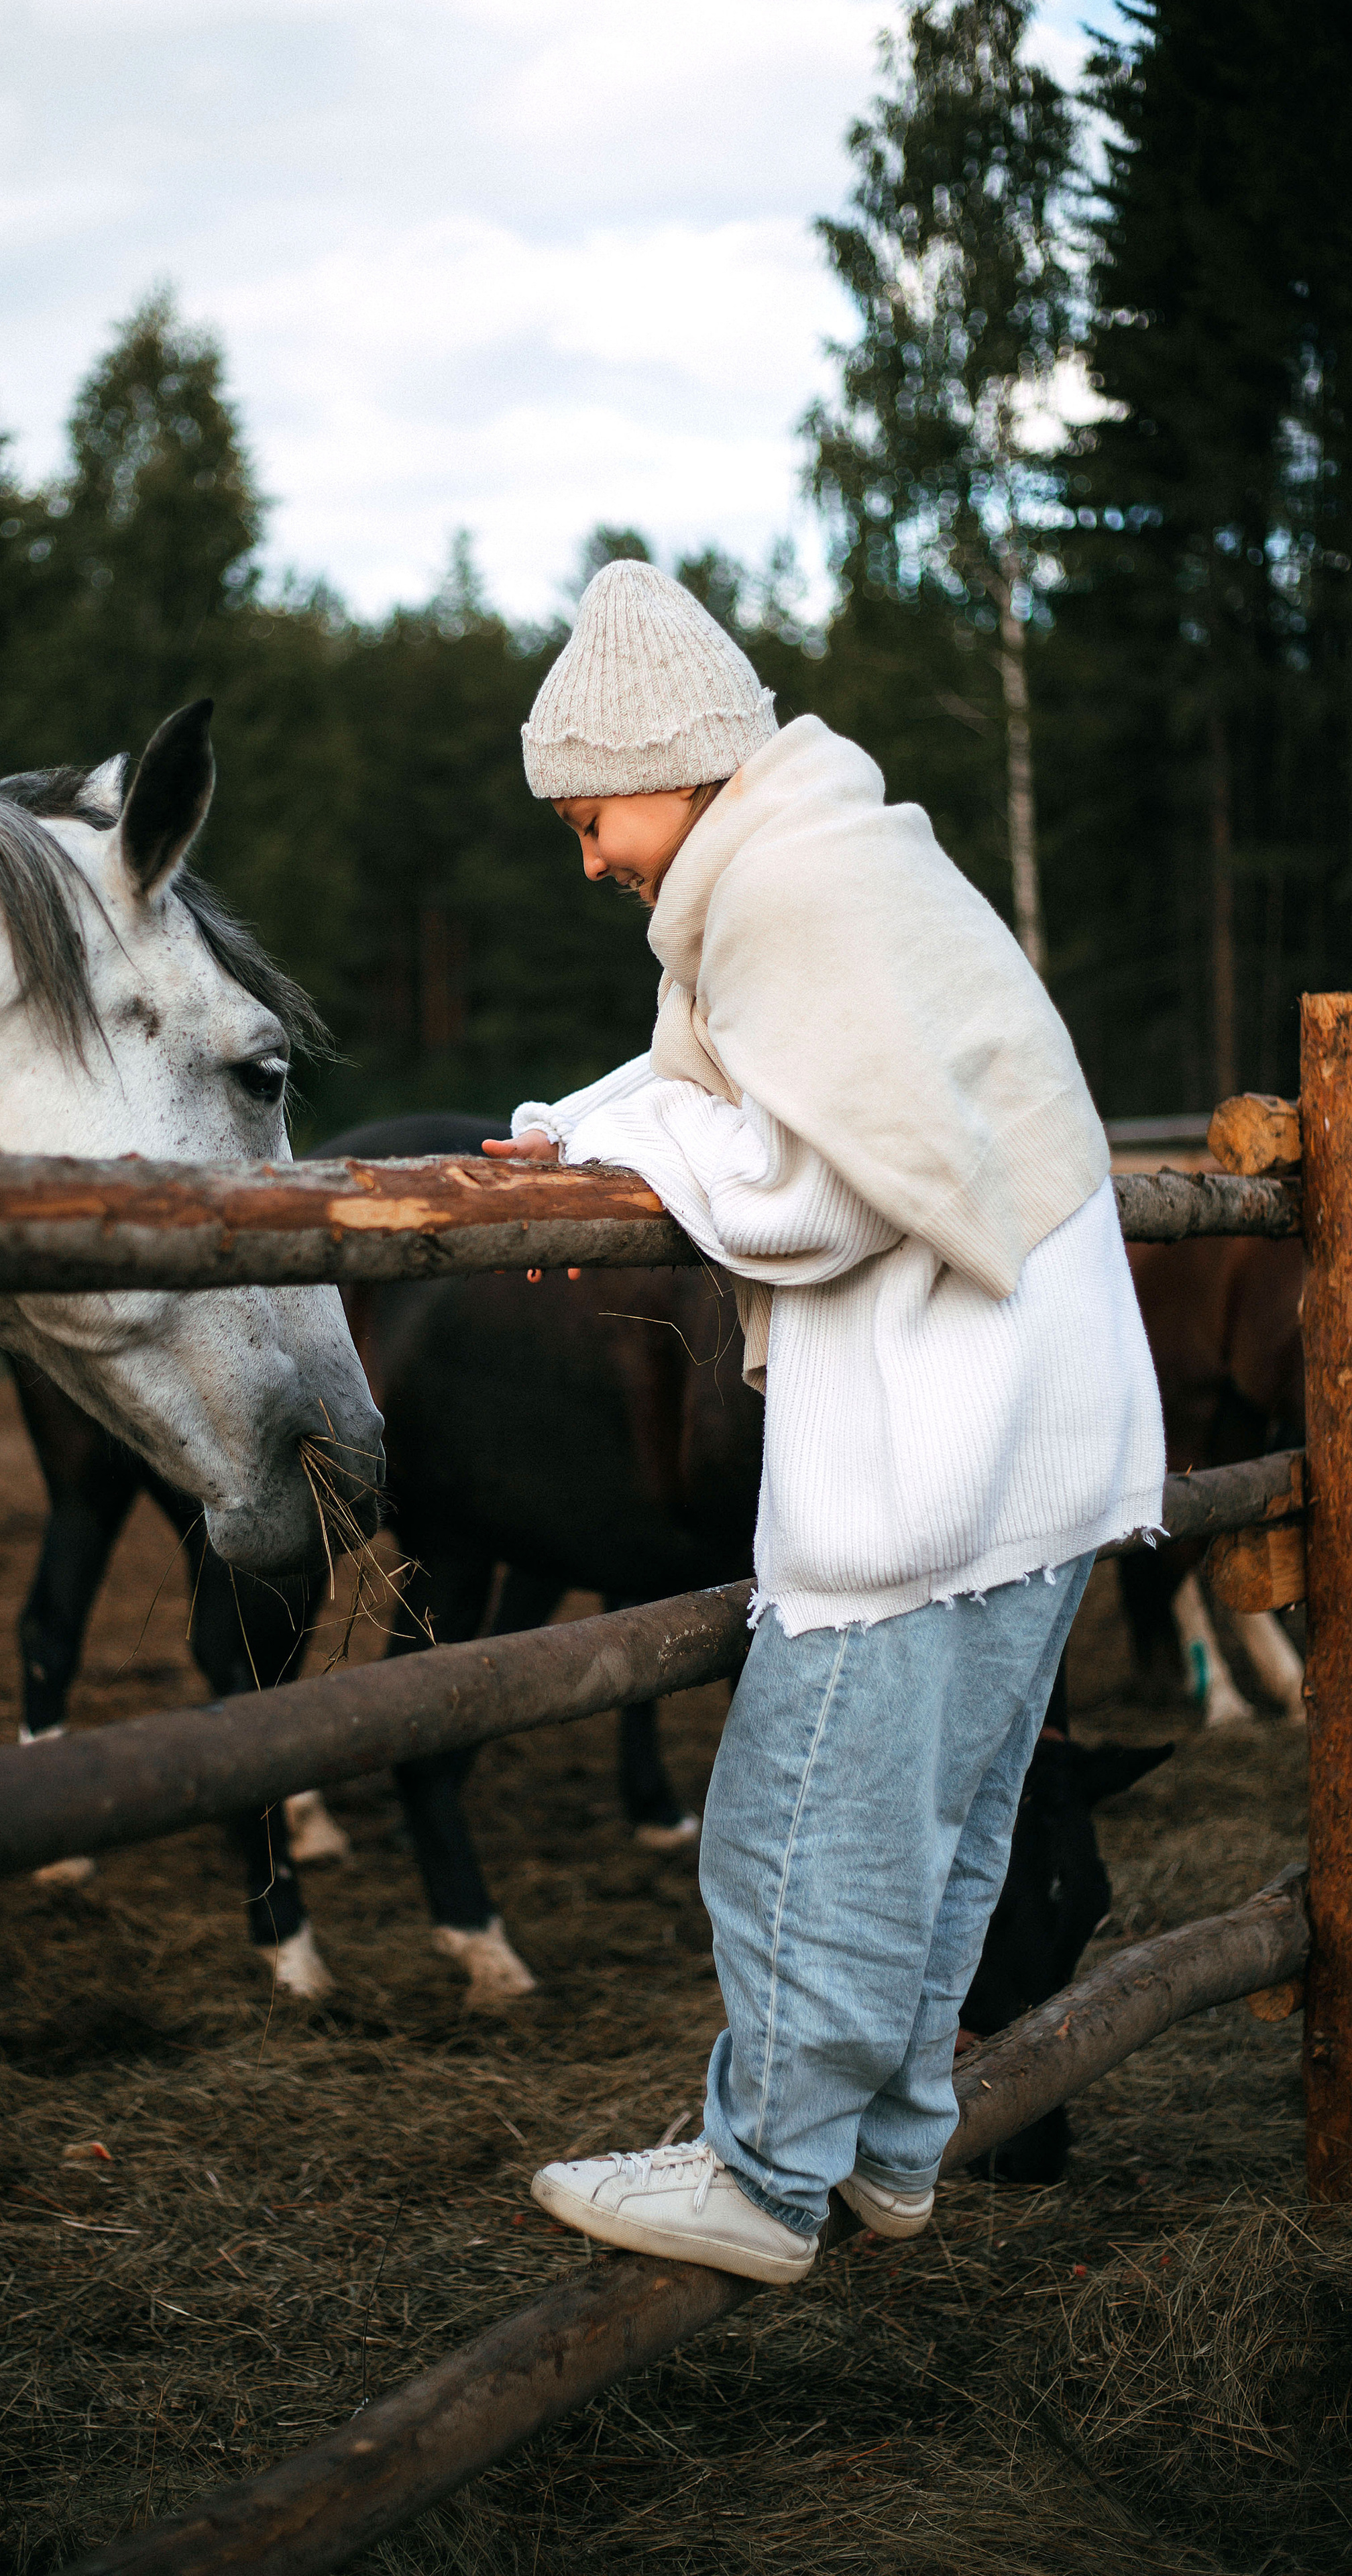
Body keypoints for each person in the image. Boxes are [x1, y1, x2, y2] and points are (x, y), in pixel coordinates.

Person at [482, 559, 1164, 2284]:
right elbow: (741, 1081)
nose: (585, 861)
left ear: (672, 764)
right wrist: (584, 1127)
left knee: (800, 1818)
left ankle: (762, 2177)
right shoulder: (843, 857)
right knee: (944, 1818)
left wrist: (641, 1155)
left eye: (588, 817)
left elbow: (818, 1187)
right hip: (1050, 1423)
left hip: (946, 1428)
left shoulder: (788, 893)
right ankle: (890, 2145)